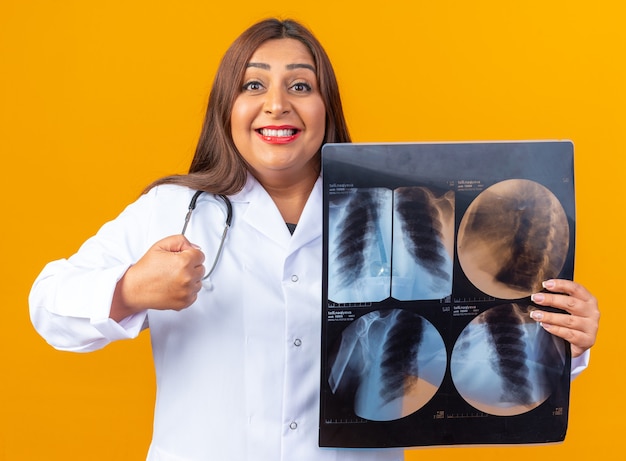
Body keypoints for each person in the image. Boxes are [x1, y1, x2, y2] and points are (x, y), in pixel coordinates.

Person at [29, 18, 600, 461]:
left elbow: (474, 332)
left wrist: (562, 342)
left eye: (300, 85)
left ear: (326, 108)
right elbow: (47, 305)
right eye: (254, 84)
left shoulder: (410, 204)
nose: (277, 103)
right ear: (226, 107)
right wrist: (128, 289)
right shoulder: (174, 212)